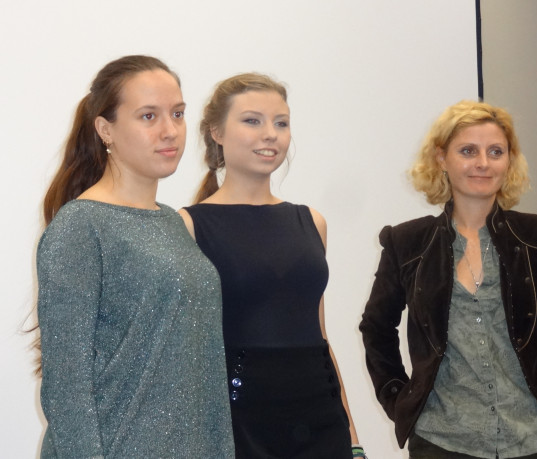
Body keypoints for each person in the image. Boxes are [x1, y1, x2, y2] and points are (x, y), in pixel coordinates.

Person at [359, 100, 537, 458]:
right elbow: (376, 329)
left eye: (496, 151)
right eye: (468, 151)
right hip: (442, 442)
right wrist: (399, 399)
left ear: (509, 161)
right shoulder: (406, 243)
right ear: (441, 158)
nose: (483, 162)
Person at [36, 55, 234, 458]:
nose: (170, 130)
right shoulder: (81, 226)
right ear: (105, 129)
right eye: (148, 116)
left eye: (177, 113)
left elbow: (203, 375)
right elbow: (67, 388)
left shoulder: (172, 223)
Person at [179, 73, 365, 459]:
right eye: (252, 121)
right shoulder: (188, 226)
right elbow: (184, 351)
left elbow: (320, 336)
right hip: (238, 423)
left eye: (281, 123)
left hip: (320, 417)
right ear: (216, 131)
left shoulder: (311, 221)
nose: (270, 134)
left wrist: (352, 435)